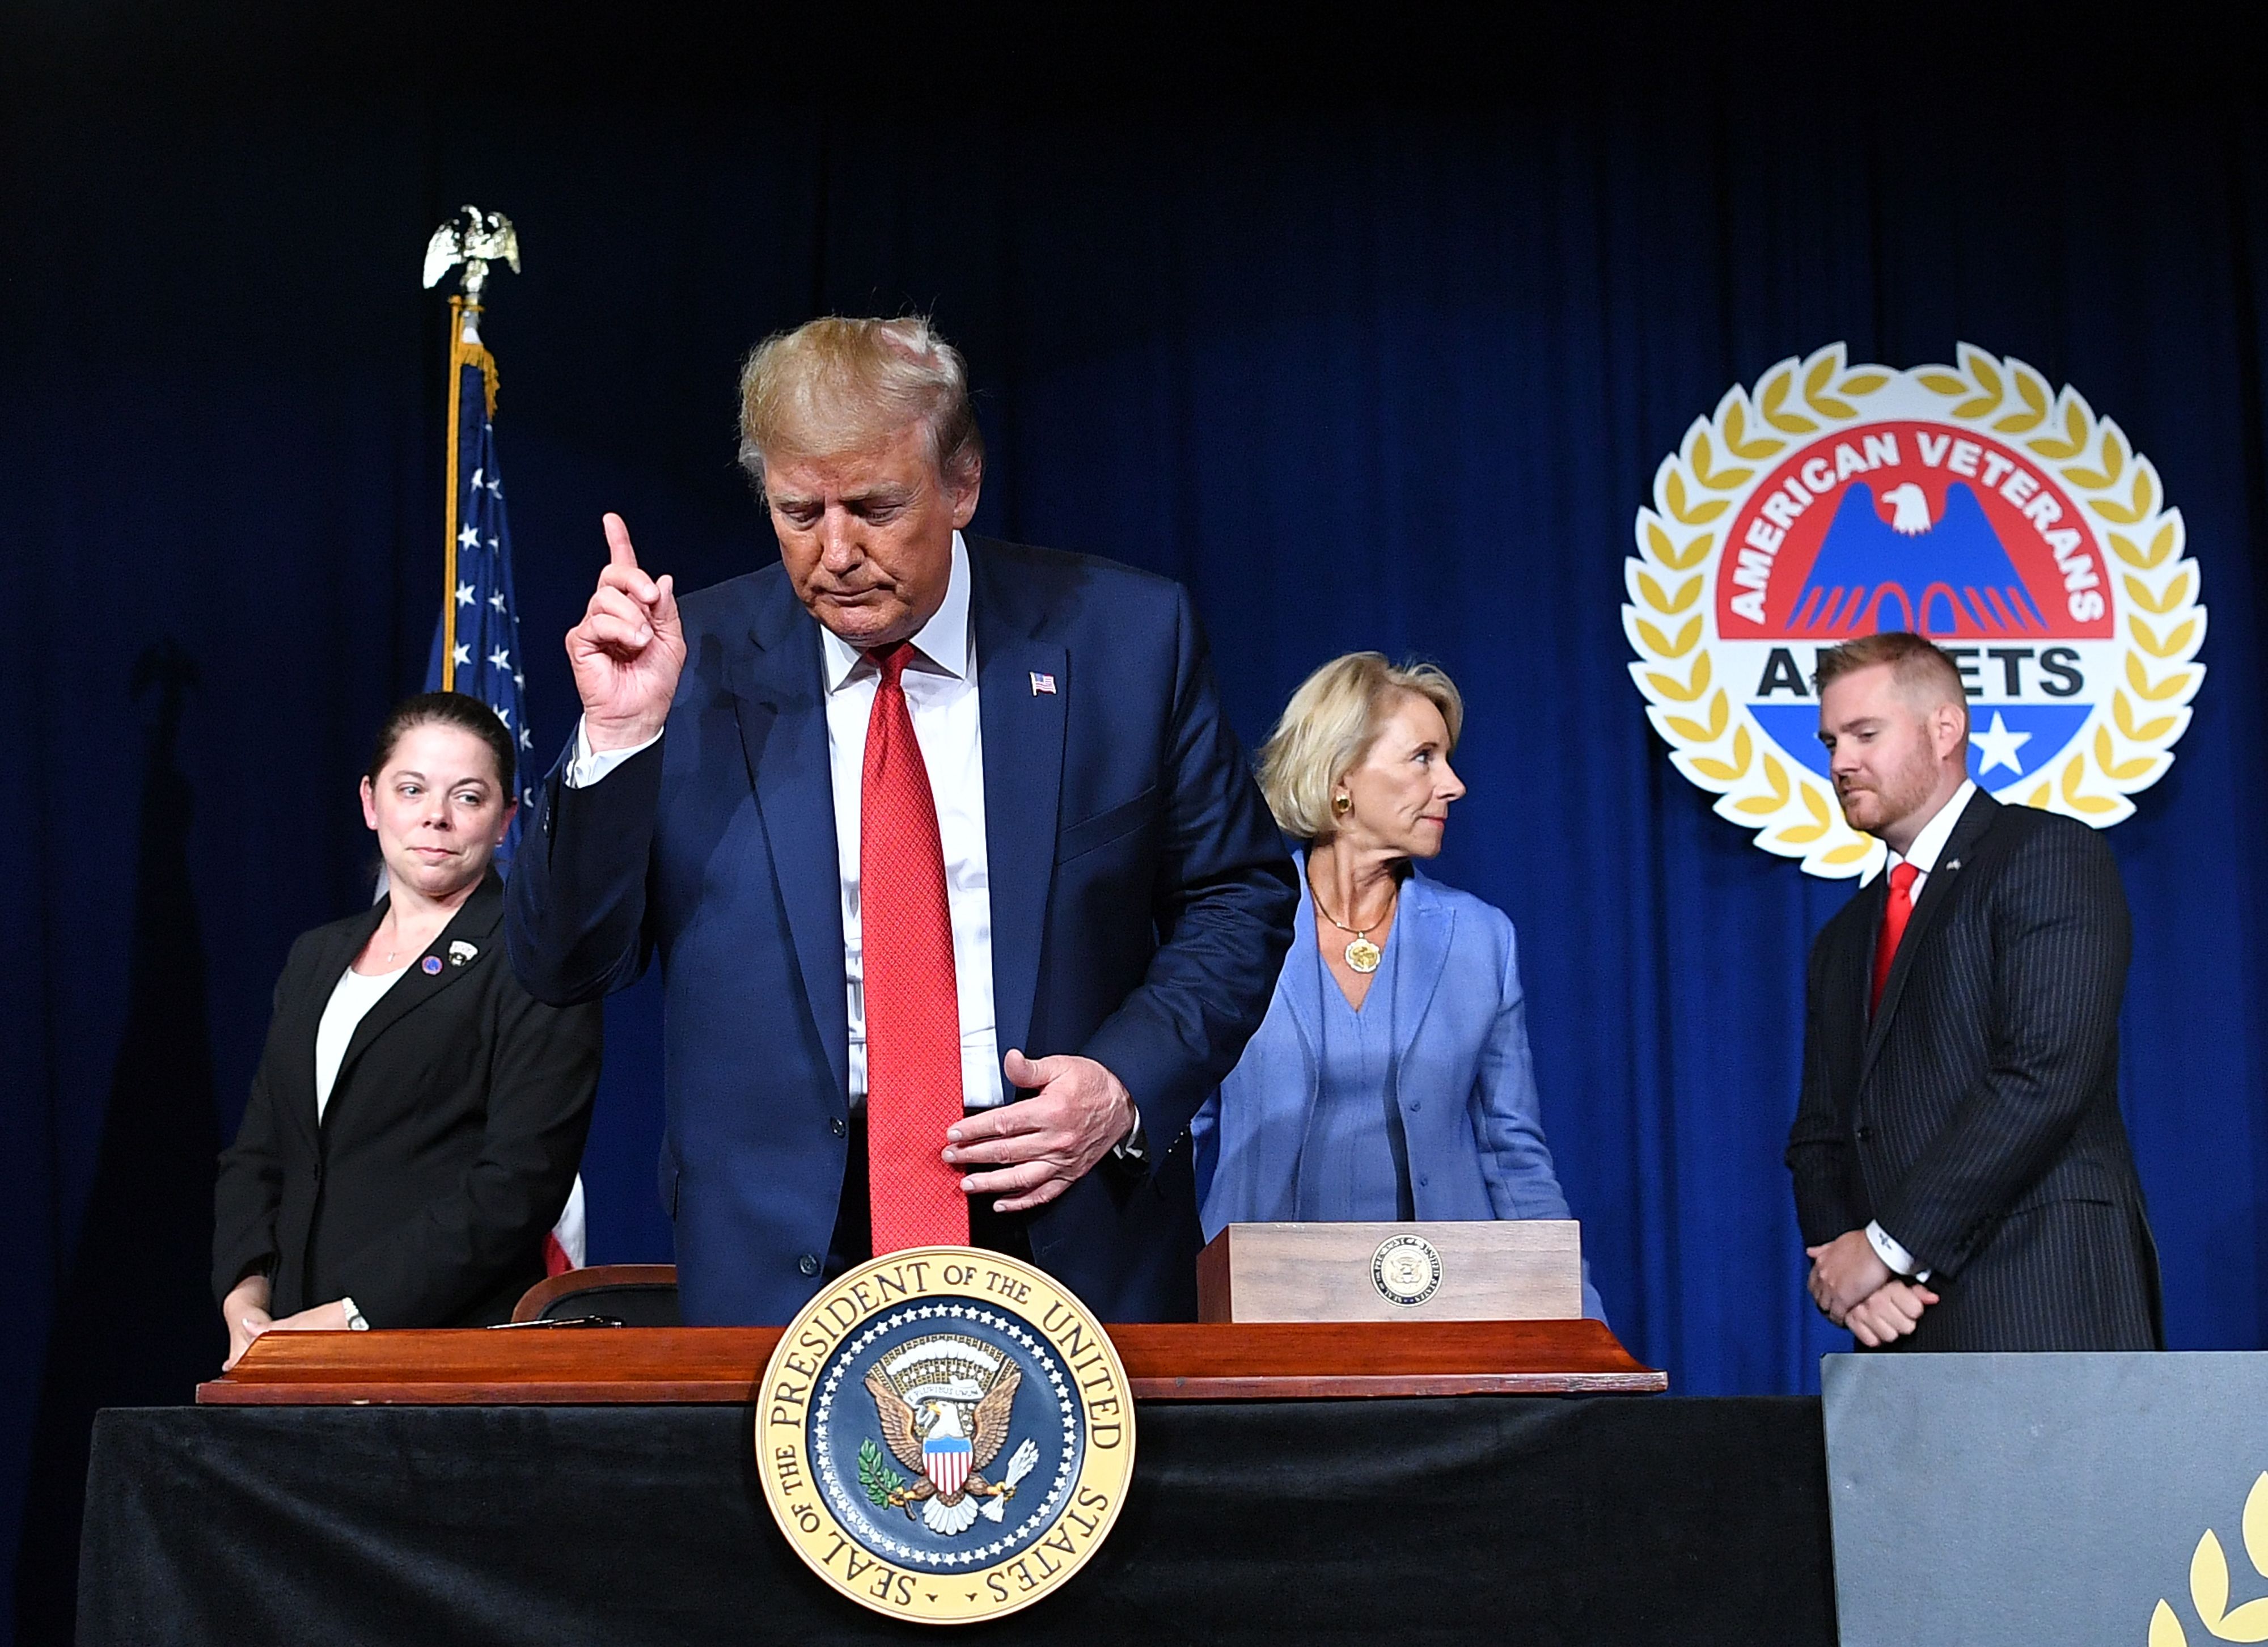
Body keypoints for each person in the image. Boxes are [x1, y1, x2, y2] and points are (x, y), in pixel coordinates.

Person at [506, 315, 1296, 1324]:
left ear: (960, 483)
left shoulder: (1125, 639)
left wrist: (1123, 1081)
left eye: (877, 506)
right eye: (800, 511)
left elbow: (1239, 893)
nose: (837, 552)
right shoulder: (684, 664)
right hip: (784, 1261)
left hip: (1066, 1215)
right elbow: (561, 963)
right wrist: (617, 735)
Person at [1191, 653, 1605, 1320]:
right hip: (1264, 1308)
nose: (1453, 784)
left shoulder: (1480, 939)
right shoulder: (1233, 930)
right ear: (1342, 776)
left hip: (1448, 1311)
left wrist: (1579, 1316)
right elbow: (1176, 1138)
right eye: (1423, 758)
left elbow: (1513, 1151)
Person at [1788, 631, 2160, 1352]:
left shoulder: (2048, 856)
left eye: (1865, 734)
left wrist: (1886, 1249)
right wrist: (1851, 1277)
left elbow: (2042, 1078)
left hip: (2045, 1302)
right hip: (1900, 1331)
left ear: (1945, 728)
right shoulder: (1843, 936)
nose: (1840, 762)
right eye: (1830, 741)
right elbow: (1820, 1133)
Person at [213, 693, 603, 1366]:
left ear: (507, 820)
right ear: (371, 802)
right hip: (283, 1346)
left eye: (469, 797)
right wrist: (245, 1298)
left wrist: (352, 1314)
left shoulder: (535, 959)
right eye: (412, 788)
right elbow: (261, 1152)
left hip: (440, 1348)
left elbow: (519, 1181)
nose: (436, 816)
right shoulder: (315, 957)